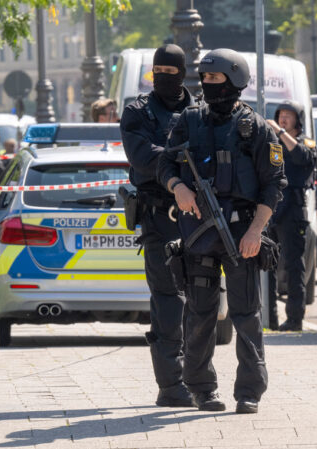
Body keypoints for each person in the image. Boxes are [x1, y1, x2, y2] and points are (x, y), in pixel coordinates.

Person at [157, 48, 286, 413]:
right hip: (199, 232)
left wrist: (255, 232)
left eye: (215, 79)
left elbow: (274, 184)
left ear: (235, 80)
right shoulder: (188, 121)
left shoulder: (256, 128)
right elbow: (165, 163)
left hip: (241, 233)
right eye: (205, 79)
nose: (207, 85)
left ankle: (249, 392)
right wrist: (177, 188)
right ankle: (201, 388)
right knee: (200, 314)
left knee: (246, 314)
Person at [120, 44, 195, 408]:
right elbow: (141, 157)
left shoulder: (200, 111)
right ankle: (170, 384)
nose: (164, 77)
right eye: (158, 71)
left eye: (171, 71)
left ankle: (199, 379)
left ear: (183, 73)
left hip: (198, 215)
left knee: (201, 298)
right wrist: (183, 158)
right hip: (158, 216)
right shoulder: (137, 111)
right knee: (167, 301)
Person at [265, 101, 317, 331]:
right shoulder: (272, 143)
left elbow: (302, 157)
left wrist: (280, 131)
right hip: (271, 207)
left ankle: (295, 318)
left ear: (298, 119)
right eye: (280, 115)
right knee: (266, 264)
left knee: (294, 265)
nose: (283, 118)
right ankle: (269, 318)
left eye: (288, 115)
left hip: (293, 210)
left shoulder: (304, 143)